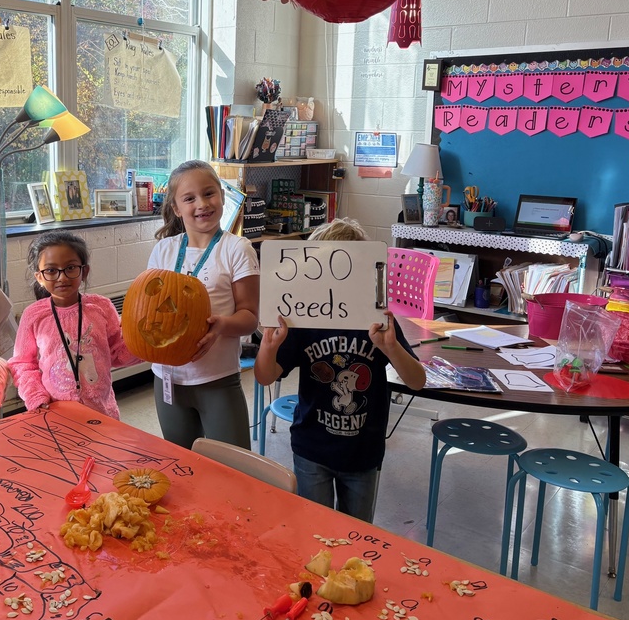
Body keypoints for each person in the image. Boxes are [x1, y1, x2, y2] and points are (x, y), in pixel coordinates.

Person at [254, 217, 426, 522]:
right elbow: (264, 376)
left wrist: (391, 348)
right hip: (311, 449)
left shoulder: (379, 323)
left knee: (356, 536)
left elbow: (416, 381)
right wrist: (268, 345)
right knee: (313, 529)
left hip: (362, 453)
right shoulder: (303, 320)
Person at [147, 159, 260, 449]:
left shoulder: (237, 249)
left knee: (235, 470)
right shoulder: (164, 250)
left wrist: (222, 325)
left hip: (217, 379)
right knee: (183, 465)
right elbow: (147, 309)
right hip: (168, 379)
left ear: (222, 196)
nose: (202, 204)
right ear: (176, 207)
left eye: (209, 193)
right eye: (189, 198)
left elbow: (250, 318)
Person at [11, 230, 137, 419]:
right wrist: (36, 397)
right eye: (51, 270)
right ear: (39, 277)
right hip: (55, 412)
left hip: (103, 411)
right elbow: (23, 364)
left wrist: (143, 346)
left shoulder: (101, 307)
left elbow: (117, 352)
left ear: (84, 271)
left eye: (70, 268)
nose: (62, 277)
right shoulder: (33, 315)